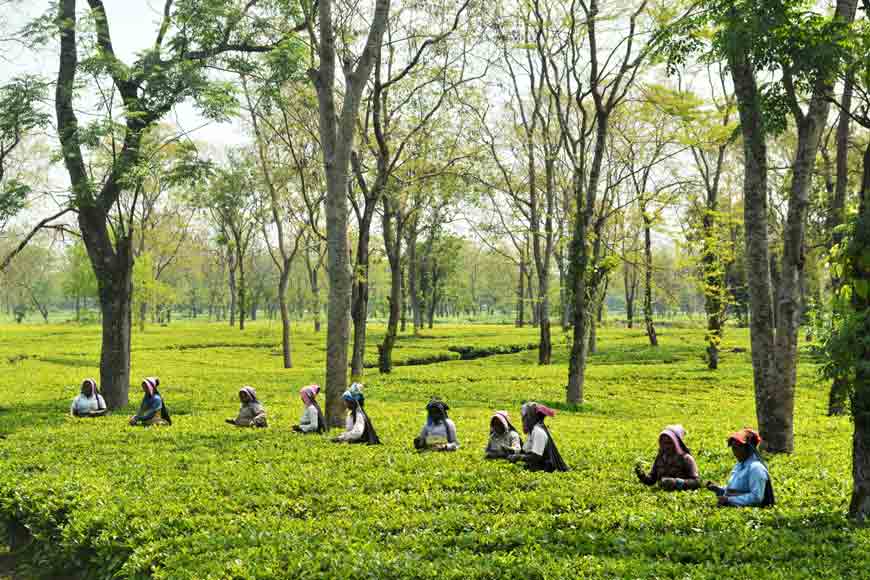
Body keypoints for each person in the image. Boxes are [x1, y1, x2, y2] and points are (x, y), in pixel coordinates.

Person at [706, 427, 775, 507]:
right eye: (733, 448)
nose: (735, 452)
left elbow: (756, 497)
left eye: (737, 448)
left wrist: (729, 500)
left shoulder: (756, 468)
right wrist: (718, 489)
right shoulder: (739, 465)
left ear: (749, 448)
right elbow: (736, 490)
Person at [635, 424, 700, 491]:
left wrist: (676, 482)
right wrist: (642, 475)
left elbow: (697, 482)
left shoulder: (686, 459)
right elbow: (652, 480)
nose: (666, 446)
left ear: (676, 443)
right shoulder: (660, 458)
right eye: (663, 443)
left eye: (669, 443)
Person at [509, 402, 569, 472]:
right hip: (535, 467)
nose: (523, 420)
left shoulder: (538, 432)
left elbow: (536, 456)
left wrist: (519, 457)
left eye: (525, 417)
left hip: (546, 470)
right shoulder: (531, 431)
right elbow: (527, 451)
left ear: (531, 417)